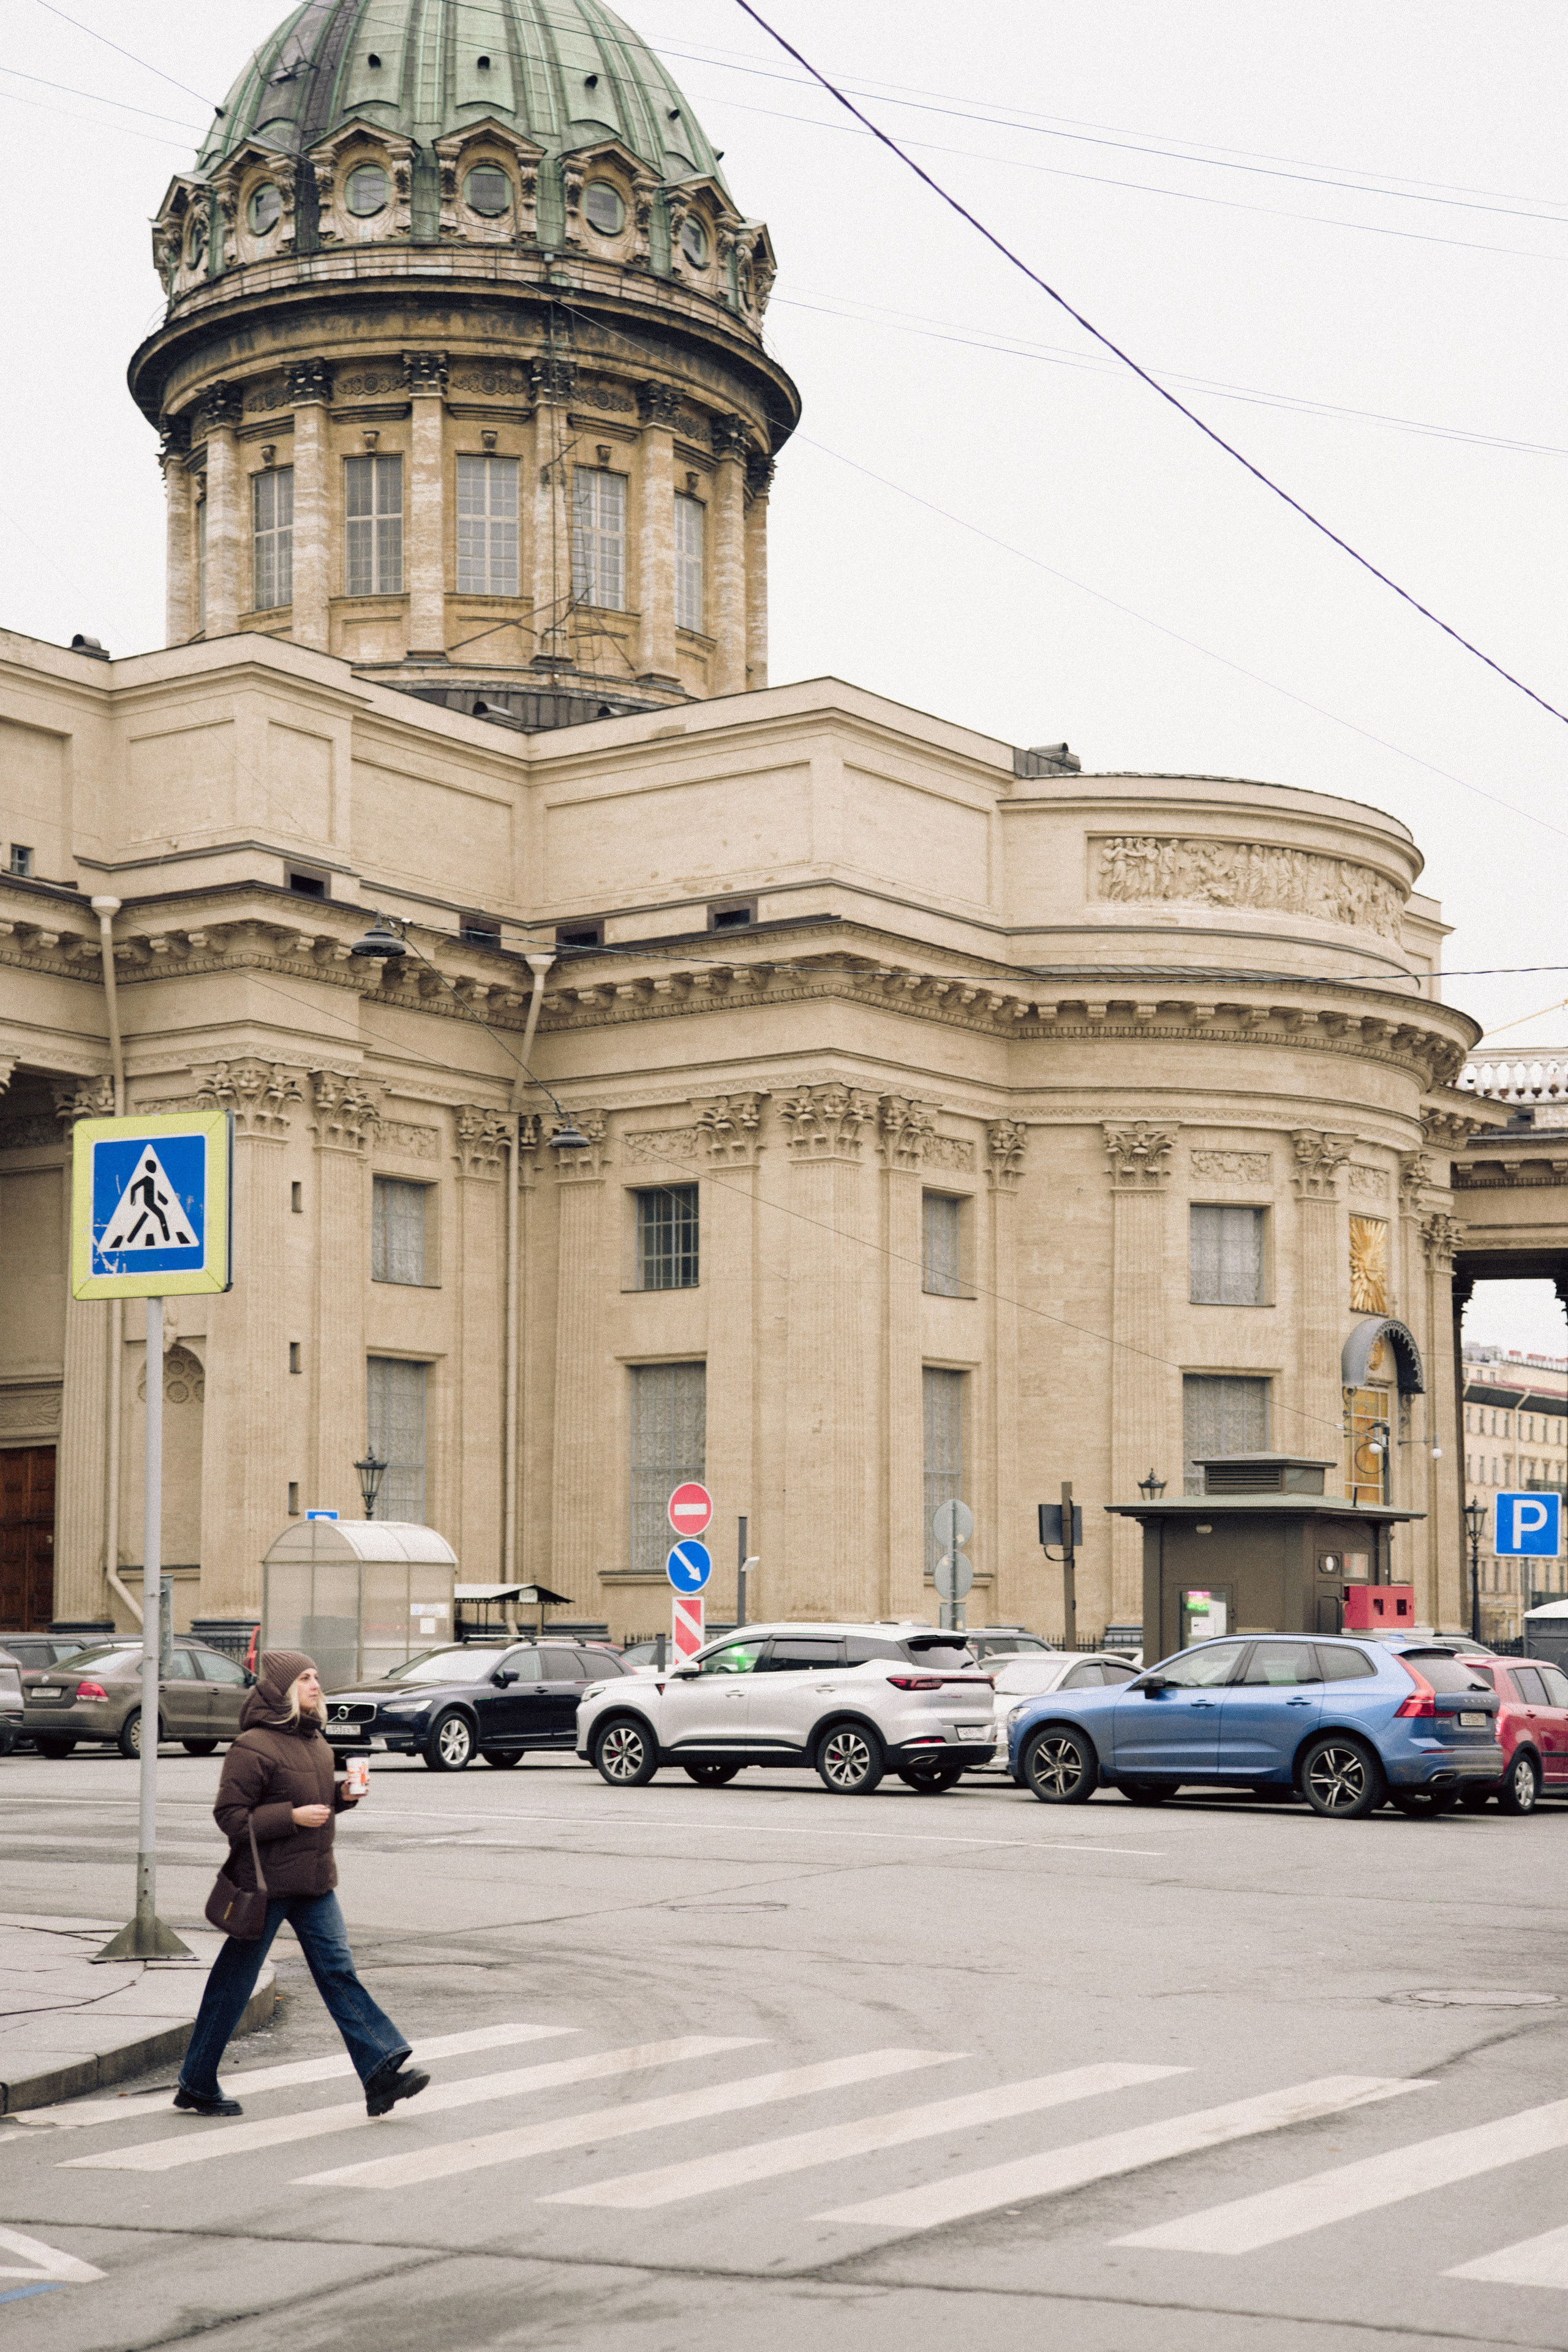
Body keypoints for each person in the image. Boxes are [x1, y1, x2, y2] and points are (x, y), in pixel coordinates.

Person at [174, 1648, 429, 2120]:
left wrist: (342, 1796)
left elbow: (315, 1803)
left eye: (316, 1676)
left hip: (313, 1882)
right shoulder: (252, 1746)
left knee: (338, 1971)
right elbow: (230, 1818)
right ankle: (197, 2081)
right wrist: (289, 1817)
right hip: (266, 1885)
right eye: (305, 1678)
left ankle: (380, 2073)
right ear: (283, 1690)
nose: (316, 1684)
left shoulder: (317, 1743)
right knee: (236, 1982)